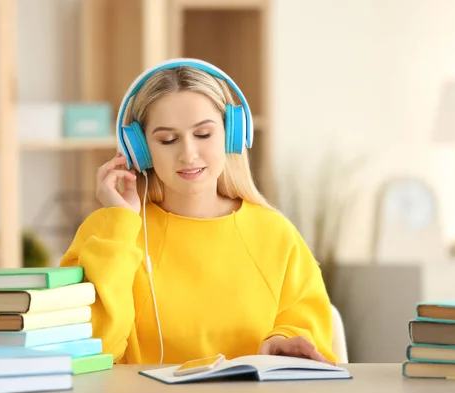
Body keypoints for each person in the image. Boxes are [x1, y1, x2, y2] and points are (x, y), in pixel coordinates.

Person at [60, 58, 338, 366]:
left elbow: (310, 331)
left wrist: (281, 341)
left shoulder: (275, 234)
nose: (188, 154)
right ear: (138, 149)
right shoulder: (108, 233)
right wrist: (121, 226)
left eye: (203, 134)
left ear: (231, 135)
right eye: (167, 139)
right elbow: (94, 353)